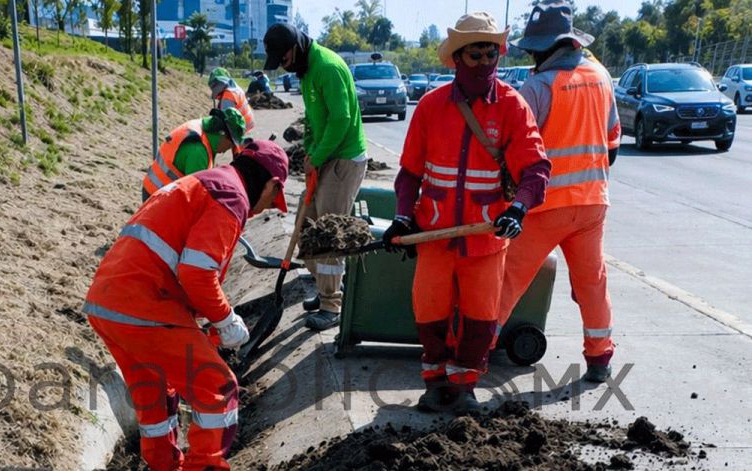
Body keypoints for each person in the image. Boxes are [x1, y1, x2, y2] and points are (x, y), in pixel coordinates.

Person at [83, 140, 289, 470]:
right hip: (144, 305)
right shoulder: (231, 197)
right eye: (272, 198)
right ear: (272, 183)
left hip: (108, 303)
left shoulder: (210, 182)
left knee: (156, 401)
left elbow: (184, 265)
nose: (264, 208)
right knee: (218, 390)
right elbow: (197, 272)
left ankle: (164, 466)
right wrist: (225, 319)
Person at [384, 12, 550, 413]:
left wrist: (519, 208)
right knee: (430, 313)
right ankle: (435, 383)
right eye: (473, 55)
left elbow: (536, 169)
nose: (483, 64)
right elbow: (409, 174)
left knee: (480, 316)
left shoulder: (512, 107)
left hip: (485, 237)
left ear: (499, 55)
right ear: (457, 59)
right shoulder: (430, 106)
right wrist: (404, 216)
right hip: (435, 235)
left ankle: (465, 387)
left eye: (489, 54)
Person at [500, 0, 621, 383]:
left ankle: (472, 355)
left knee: (506, 279)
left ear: (551, 46)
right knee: (592, 282)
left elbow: (513, 150)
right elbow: (613, 143)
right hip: (591, 204)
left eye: (535, 48)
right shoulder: (602, 77)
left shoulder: (537, 86)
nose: (533, 55)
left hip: (543, 207)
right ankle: (599, 359)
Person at [263, 23, 368, 331]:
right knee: (306, 226)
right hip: (324, 157)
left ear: (294, 49)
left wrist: (319, 157)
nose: (283, 66)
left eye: (282, 60)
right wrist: (310, 152)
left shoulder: (327, 68)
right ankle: (326, 287)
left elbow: (341, 119)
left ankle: (331, 303)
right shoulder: (307, 71)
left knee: (328, 233)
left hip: (343, 160)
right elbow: (313, 119)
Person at [142, 108, 246, 202]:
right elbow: (195, 195)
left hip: (154, 189)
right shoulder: (198, 152)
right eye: (231, 143)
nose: (228, 149)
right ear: (222, 134)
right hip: (160, 199)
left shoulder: (201, 127)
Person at [209, 67, 255, 133]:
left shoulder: (228, 96)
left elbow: (226, 120)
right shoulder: (234, 88)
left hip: (242, 127)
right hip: (248, 122)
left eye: (213, 85)